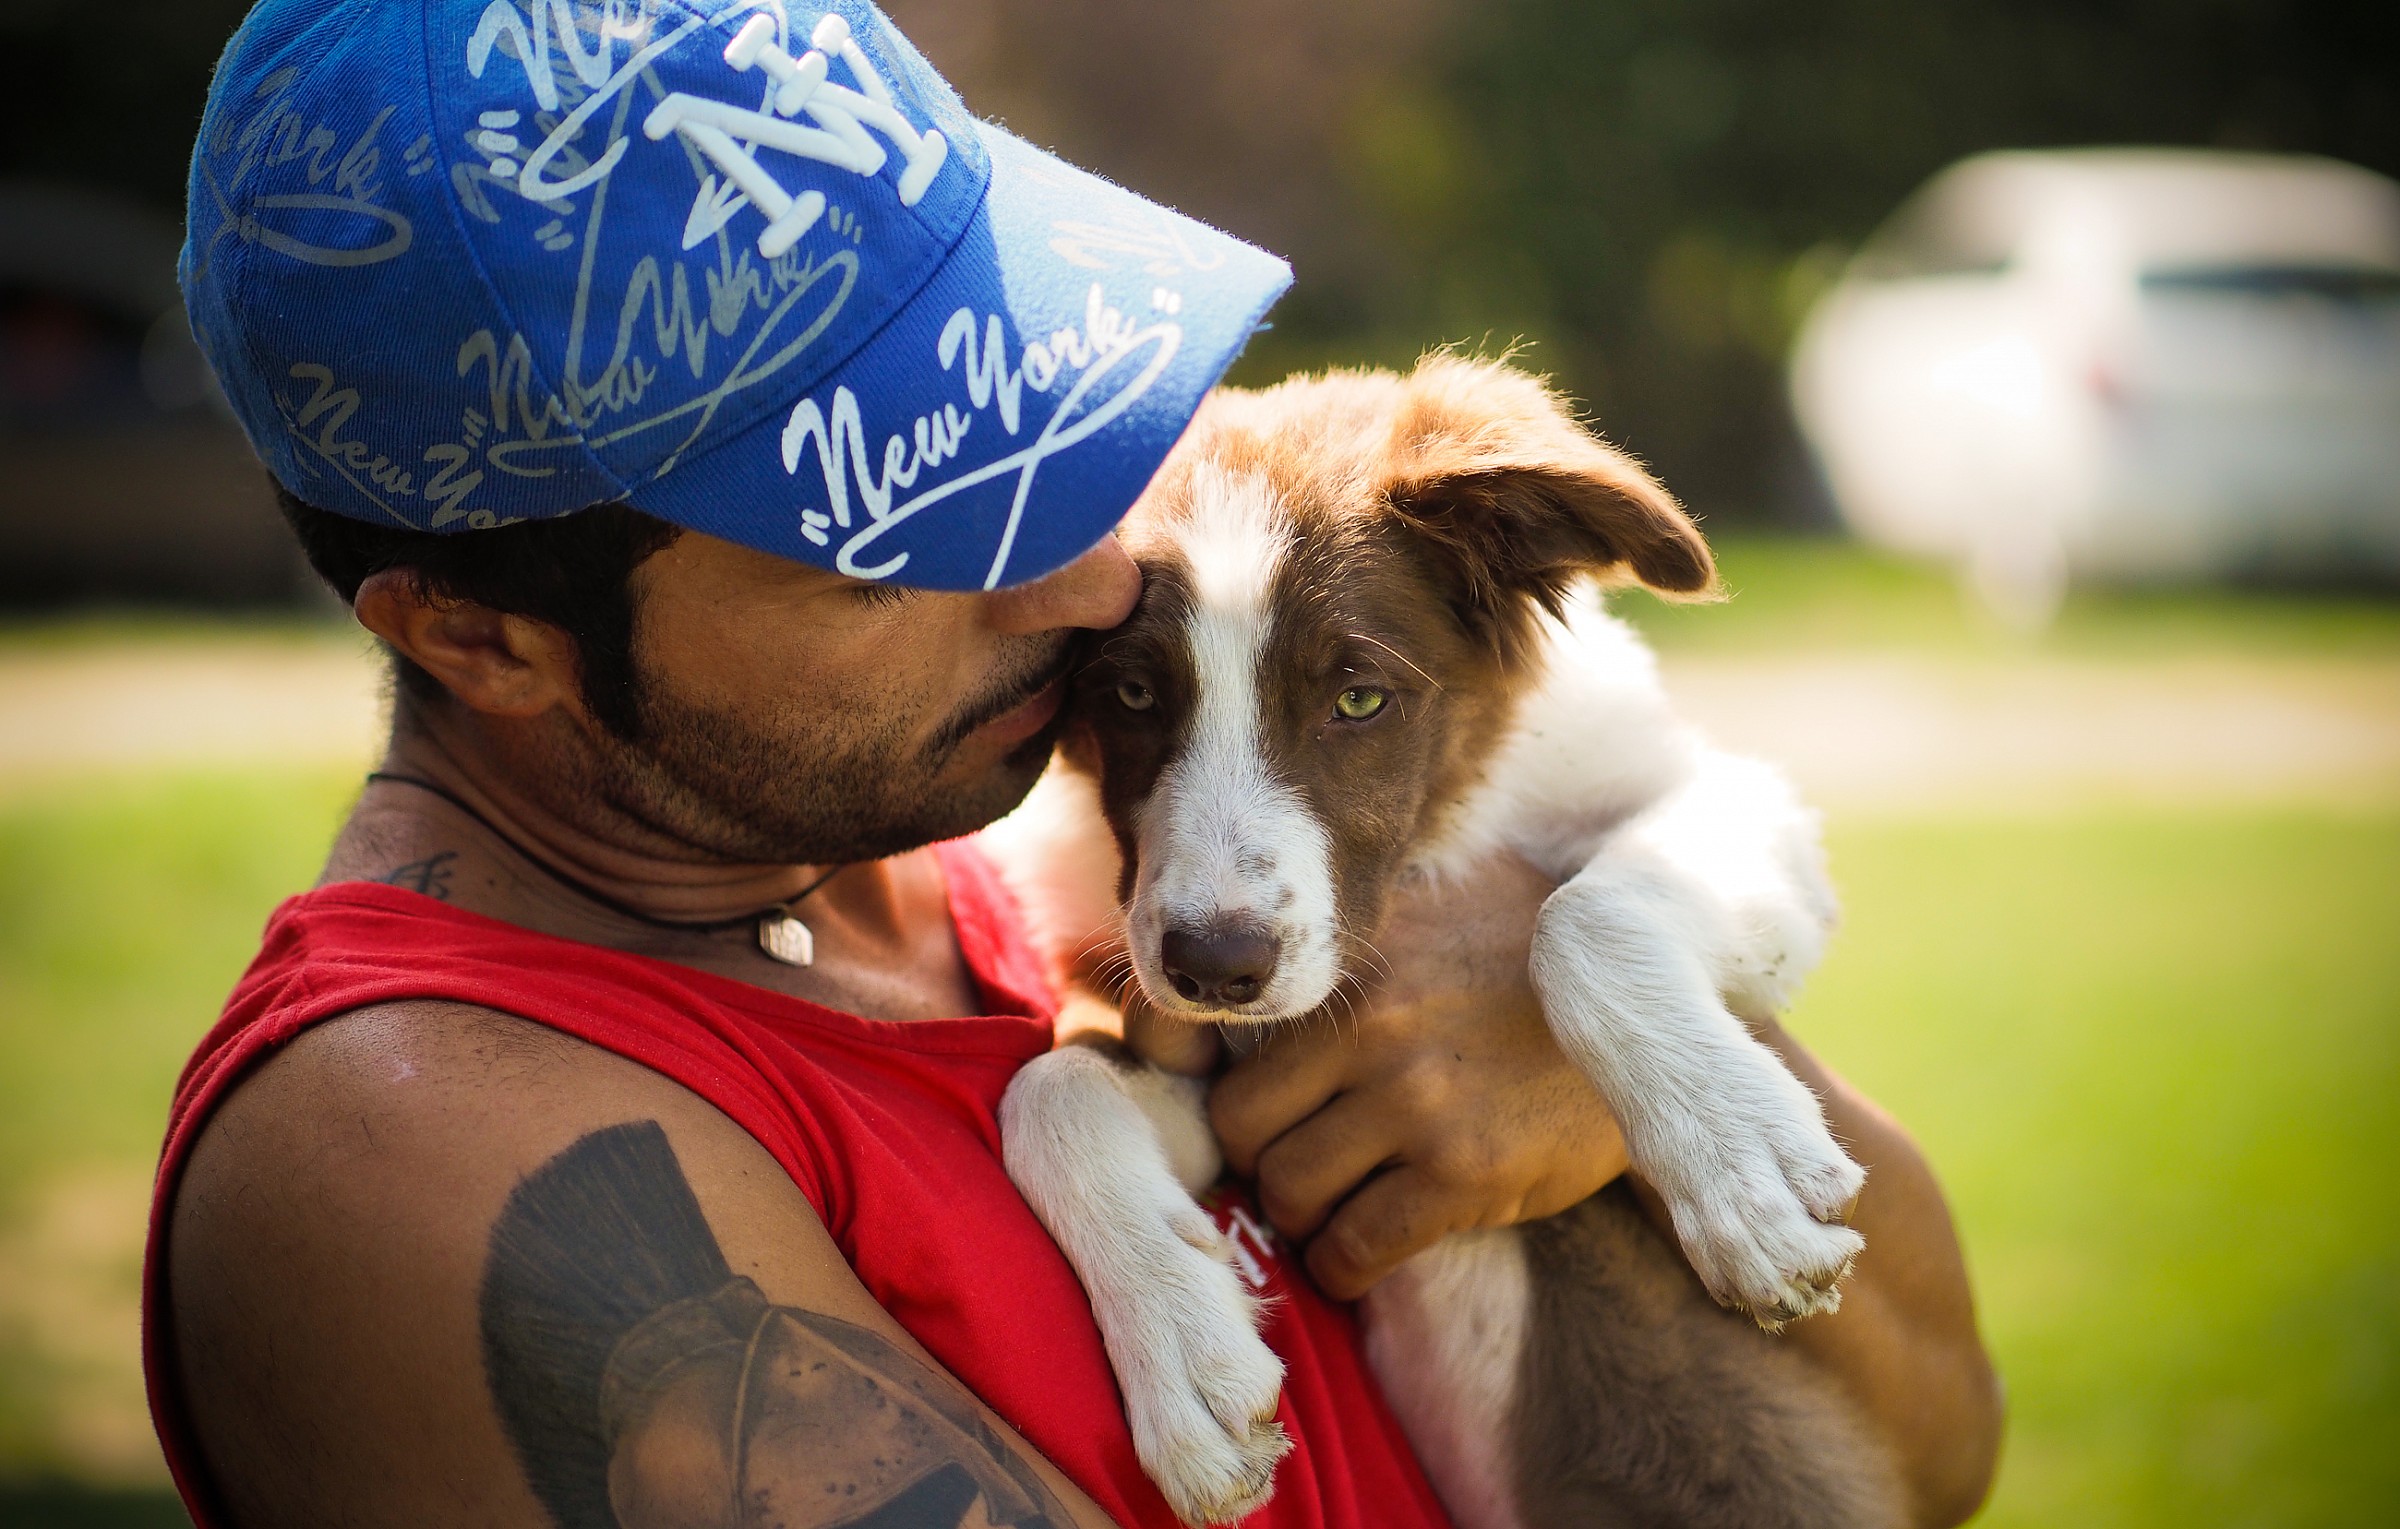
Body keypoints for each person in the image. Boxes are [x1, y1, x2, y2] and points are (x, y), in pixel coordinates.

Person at [145, 2, 2003, 1527]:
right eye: (882, 527)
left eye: (1009, 416)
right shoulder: (429, 1162)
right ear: (484, 638)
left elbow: (1944, 1434)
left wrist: (1591, 1053)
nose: (1098, 573)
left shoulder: (998, 845)